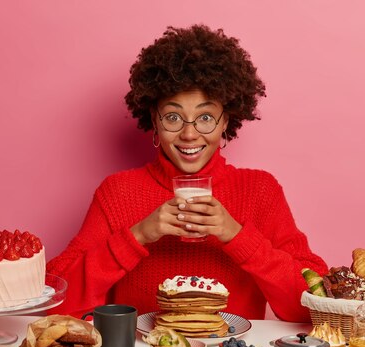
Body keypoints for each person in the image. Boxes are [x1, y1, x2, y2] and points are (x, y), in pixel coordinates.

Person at [47, 24, 328, 322]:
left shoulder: (260, 189)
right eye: (173, 117)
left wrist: (236, 236)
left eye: (205, 117)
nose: (189, 134)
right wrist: (138, 235)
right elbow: (55, 301)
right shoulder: (118, 191)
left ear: (225, 121)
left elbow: (316, 306)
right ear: (154, 119)